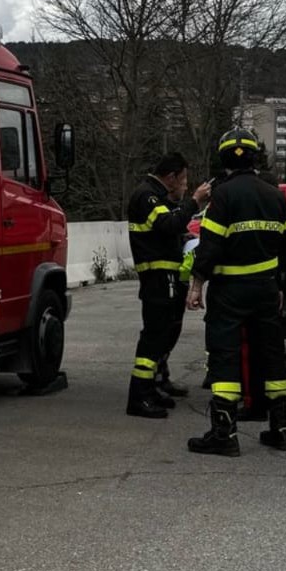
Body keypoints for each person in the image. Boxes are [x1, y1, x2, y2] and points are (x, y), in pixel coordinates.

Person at [185, 129, 286, 456]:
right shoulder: (275, 195)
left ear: (223, 159)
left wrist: (196, 284)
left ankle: (224, 433)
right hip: (265, 290)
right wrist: (282, 287)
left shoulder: (223, 196)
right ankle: (282, 430)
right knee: (273, 356)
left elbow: (211, 246)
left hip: (230, 292)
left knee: (225, 356)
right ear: (254, 157)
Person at [126, 152, 211, 419]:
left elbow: (168, 229)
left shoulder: (158, 197)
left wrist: (182, 235)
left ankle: (154, 386)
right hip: (156, 278)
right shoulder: (147, 195)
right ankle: (139, 396)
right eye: (183, 180)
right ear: (171, 177)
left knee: (165, 332)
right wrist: (194, 202)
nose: (185, 186)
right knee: (154, 335)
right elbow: (167, 223)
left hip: (167, 277)